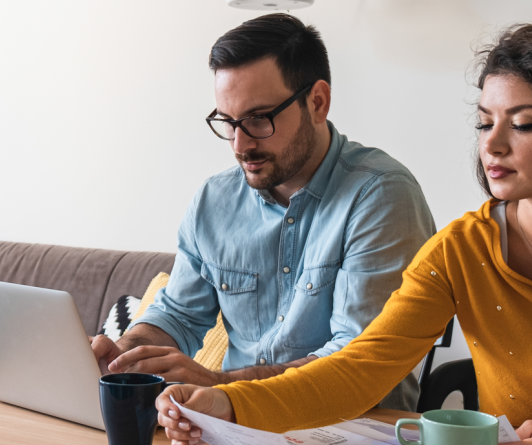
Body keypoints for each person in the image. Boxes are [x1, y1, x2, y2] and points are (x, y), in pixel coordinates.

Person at [157, 24, 532, 445]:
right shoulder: (461, 250)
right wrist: (232, 405)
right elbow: (362, 368)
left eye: (522, 124)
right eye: (484, 123)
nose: (493, 145)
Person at [89, 13, 435, 411]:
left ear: (317, 102)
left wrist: (221, 387)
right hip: (226, 425)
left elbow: (355, 363)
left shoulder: (381, 196)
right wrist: (125, 353)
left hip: (349, 428)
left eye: (258, 119)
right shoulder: (214, 201)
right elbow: (179, 315)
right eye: (228, 122)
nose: (240, 145)